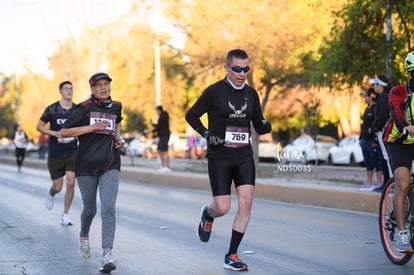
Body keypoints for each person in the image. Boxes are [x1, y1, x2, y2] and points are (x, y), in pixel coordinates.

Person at [185, 49, 272, 271]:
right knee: (223, 207)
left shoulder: (251, 94)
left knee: (246, 203)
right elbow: (191, 115)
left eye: (246, 69)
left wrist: (263, 126)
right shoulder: (214, 92)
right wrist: (205, 134)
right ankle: (208, 212)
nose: (242, 73)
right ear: (226, 68)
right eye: (237, 69)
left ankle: (232, 254)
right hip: (220, 156)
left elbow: (257, 121)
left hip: (243, 155)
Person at [61, 72, 124, 273]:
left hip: (110, 164)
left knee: (108, 209)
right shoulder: (84, 108)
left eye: (106, 84)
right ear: (92, 89)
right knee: (90, 209)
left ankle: (107, 255)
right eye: (99, 85)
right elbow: (65, 131)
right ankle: (84, 235)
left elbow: (118, 122)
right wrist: (91, 128)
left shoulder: (116, 106)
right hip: (86, 166)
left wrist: (118, 138)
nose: (103, 88)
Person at [383, 51, 414, 253]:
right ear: (410, 74)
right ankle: (402, 234)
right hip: (398, 140)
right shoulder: (398, 91)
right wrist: (407, 126)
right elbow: (397, 113)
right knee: (403, 182)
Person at [36, 80, 78, 226]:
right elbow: (39, 127)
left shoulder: (78, 110)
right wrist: (55, 133)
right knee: (58, 187)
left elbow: (83, 127)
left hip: (72, 151)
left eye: (71, 88)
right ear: (60, 91)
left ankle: (65, 215)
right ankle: (52, 192)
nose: (69, 90)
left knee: (71, 181)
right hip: (56, 152)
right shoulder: (52, 109)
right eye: (66, 88)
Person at [358, 88, 383, 191]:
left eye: (366, 96)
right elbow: (364, 125)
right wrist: (360, 138)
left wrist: (375, 140)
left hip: (372, 141)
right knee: (368, 163)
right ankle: (368, 183)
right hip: (364, 140)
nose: (364, 98)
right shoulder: (367, 108)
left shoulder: (376, 108)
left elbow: (376, 125)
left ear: (371, 96)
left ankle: (380, 182)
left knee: (377, 162)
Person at [370, 74, 391, 191]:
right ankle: (388, 183)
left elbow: (383, 115)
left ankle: (391, 184)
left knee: (387, 158)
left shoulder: (383, 97)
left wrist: (376, 128)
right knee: (386, 158)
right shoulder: (384, 97)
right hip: (383, 130)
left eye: (376, 84)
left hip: (384, 130)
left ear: (381, 85)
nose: (374, 86)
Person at [150, 105, 171, 173]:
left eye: (157, 111)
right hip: (162, 136)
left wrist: (152, 124)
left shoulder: (163, 116)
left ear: (159, 110)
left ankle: (166, 167)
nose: (156, 112)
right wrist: (152, 129)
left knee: (164, 151)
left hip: (164, 136)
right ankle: (163, 166)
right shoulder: (162, 116)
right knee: (160, 151)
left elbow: (159, 126)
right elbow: (159, 127)